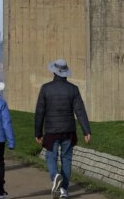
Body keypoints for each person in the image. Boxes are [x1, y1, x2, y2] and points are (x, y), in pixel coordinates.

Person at [35, 59, 91, 199]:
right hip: (68, 130)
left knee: (51, 156)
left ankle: (55, 177)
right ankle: (64, 191)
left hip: (51, 130)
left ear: (54, 71)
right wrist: (86, 130)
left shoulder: (46, 88)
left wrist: (38, 132)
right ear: (65, 73)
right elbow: (80, 111)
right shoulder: (73, 89)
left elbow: (40, 112)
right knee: (66, 158)